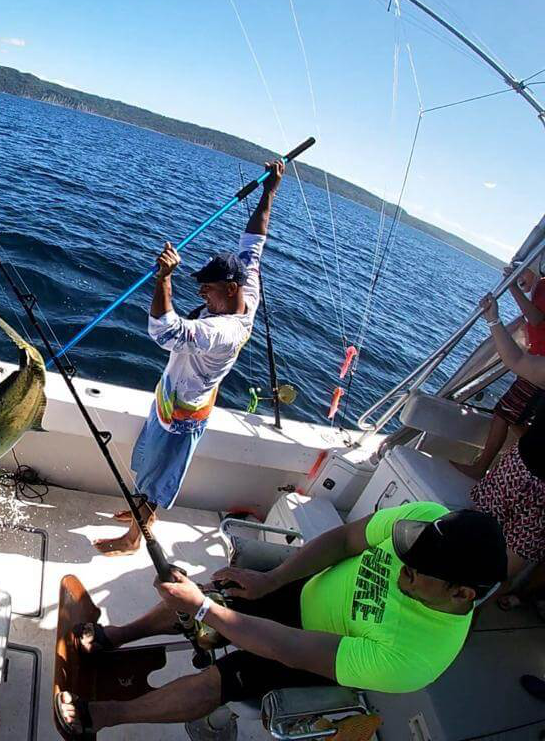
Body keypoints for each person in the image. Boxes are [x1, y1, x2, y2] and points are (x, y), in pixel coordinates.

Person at [56, 502, 507, 734]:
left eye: (414, 571)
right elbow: (347, 539)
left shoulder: (415, 660)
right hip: (305, 588)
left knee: (222, 678)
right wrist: (270, 581)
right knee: (218, 591)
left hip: (315, 651)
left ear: (461, 593)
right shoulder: (428, 521)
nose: (402, 564)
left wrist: (200, 608)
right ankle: (117, 636)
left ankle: (106, 715)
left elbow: (285, 647)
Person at [93, 160, 284, 556]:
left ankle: (135, 539)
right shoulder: (245, 284)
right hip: (169, 396)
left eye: (207, 291)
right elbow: (254, 240)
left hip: (183, 411)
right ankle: (139, 511)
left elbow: (164, 332)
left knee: (160, 473)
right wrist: (269, 190)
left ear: (229, 289)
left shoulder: (224, 331)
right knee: (147, 462)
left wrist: (163, 279)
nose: (202, 298)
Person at [469, 292, 545, 609]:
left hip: (524, 473)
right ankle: (463, 610)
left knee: (489, 555)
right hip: (521, 468)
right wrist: (493, 318)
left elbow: (515, 360)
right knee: (485, 548)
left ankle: (462, 613)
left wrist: (494, 318)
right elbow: (515, 360)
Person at [454, 263, 545, 479]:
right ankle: (527, 458)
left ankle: (481, 467)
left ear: (535, 267)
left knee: (504, 413)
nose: (520, 276)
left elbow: (536, 318)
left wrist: (511, 287)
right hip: (534, 365)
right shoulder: (539, 288)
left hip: (537, 369)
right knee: (512, 417)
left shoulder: (544, 286)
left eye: (523, 271)